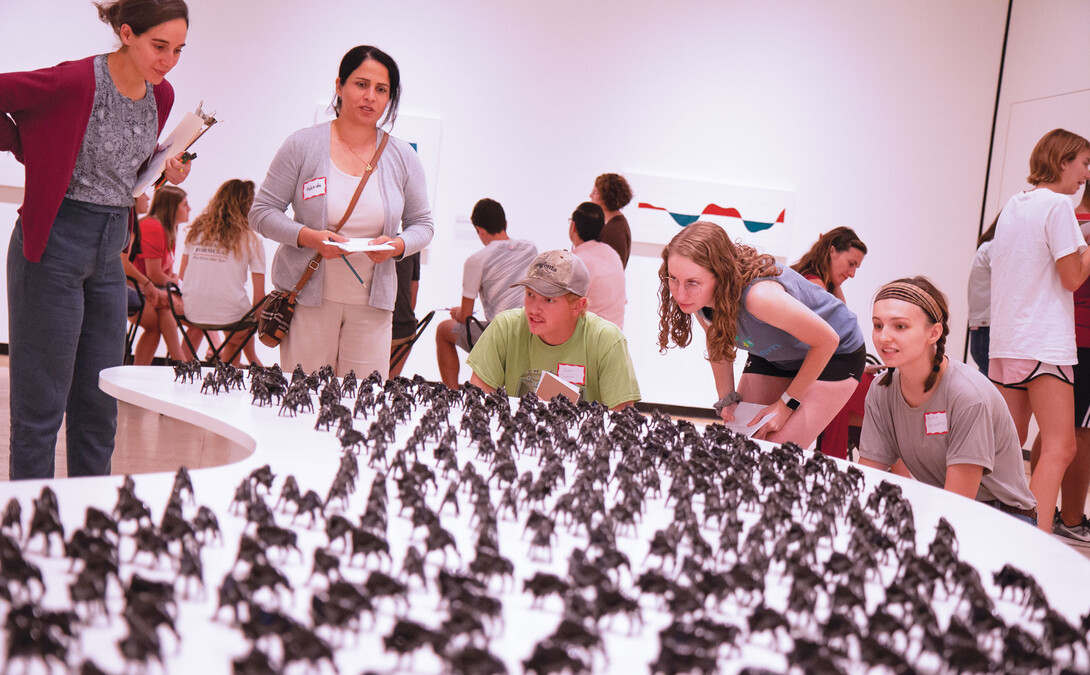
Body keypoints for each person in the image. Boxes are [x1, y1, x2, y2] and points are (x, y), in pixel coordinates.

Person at [0, 0, 191, 479]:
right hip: (53, 246)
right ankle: (29, 533)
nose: (168, 61)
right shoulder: (75, 80)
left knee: (100, 403)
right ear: (126, 33)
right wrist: (29, 146)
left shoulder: (160, 96)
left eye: (179, 50)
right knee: (40, 409)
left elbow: (124, 170)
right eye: (159, 46)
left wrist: (167, 172)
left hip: (110, 251)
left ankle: (91, 526)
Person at [250, 45, 433, 378]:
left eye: (381, 90)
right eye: (361, 84)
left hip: (373, 308)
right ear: (339, 86)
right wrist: (308, 237)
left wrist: (397, 246)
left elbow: (423, 225)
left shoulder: (403, 157)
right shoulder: (302, 145)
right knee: (303, 398)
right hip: (308, 300)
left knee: (361, 403)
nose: (370, 97)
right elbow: (262, 213)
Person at [657, 221, 866, 448]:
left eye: (692, 283)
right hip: (780, 353)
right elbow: (718, 342)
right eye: (673, 279)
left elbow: (828, 340)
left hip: (836, 351)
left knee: (777, 448)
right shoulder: (699, 300)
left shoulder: (760, 297)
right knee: (739, 442)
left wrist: (787, 404)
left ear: (720, 275)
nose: (680, 293)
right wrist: (727, 398)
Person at [859, 278, 1037, 525]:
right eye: (878, 326)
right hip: (943, 506)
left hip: (1002, 519)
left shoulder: (967, 395)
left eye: (900, 326)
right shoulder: (881, 390)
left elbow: (957, 507)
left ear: (934, 333)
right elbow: (869, 478)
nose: (884, 337)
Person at [989, 128, 1090, 534]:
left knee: (1009, 447)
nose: (1086, 175)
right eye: (1083, 163)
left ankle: (1004, 531)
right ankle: (1034, 538)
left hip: (1008, 340)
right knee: (1061, 446)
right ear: (1063, 161)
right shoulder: (1058, 207)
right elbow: (1072, 279)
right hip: (1045, 342)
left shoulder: (1016, 203)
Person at [466, 250, 641, 410]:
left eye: (548, 300)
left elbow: (621, 419)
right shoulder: (505, 327)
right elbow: (477, 403)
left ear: (577, 306)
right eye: (530, 294)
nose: (534, 309)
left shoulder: (606, 340)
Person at [435, 198, 537, 388]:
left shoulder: (476, 260)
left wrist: (457, 312)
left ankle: (452, 393)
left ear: (479, 230)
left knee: (443, 330)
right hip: (530, 332)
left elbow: (466, 316)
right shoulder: (530, 248)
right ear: (505, 224)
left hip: (500, 336)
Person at [179, 179, 266, 366]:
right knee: (239, 331)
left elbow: (182, 275)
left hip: (192, 309)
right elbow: (259, 297)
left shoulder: (196, 231)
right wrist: (261, 324)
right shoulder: (252, 239)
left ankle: (187, 366)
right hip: (230, 314)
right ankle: (232, 368)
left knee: (234, 323)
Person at [132, 184, 188, 364]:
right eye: (185, 204)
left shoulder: (166, 230)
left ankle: (183, 363)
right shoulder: (153, 227)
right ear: (172, 207)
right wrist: (174, 283)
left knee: (193, 313)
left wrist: (172, 281)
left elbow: (166, 274)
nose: (190, 209)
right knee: (192, 312)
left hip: (145, 288)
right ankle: (182, 363)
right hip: (138, 289)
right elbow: (155, 274)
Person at [568, 201, 625, 328]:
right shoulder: (612, 253)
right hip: (615, 334)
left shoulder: (577, 262)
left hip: (590, 337)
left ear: (573, 226)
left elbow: (566, 309)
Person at [790, 226, 867, 303]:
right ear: (832, 251)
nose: (852, 274)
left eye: (856, 268)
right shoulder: (815, 286)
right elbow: (841, 314)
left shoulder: (820, 282)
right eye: (851, 264)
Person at [966, 217, 998, 376]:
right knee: (993, 387)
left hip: (983, 326)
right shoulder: (994, 247)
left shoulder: (988, 247)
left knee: (989, 385)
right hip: (988, 327)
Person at [590, 173, 633, 268]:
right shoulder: (614, 224)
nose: (590, 196)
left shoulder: (615, 231)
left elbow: (610, 270)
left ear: (606, 196)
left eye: (594, 192)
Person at [389, 250, 420, 378]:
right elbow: (413, 293)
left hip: (370, 329)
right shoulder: (413, 243)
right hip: (404, 329)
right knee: (388, 384)